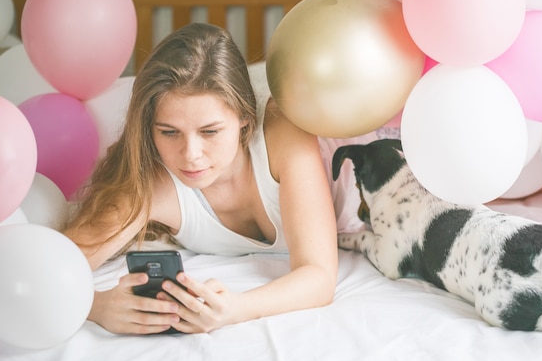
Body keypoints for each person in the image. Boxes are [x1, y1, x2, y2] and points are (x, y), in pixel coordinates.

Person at [62, 22, 339, 335]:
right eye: (169, 132)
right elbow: (56, 265)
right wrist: (95, 306)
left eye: (210, 131)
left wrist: (235, 309)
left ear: (245, 116)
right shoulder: (154, 183)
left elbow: (319, 276)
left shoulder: (282, 128)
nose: (190, 154)